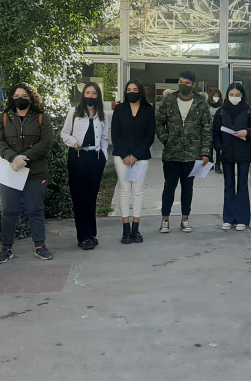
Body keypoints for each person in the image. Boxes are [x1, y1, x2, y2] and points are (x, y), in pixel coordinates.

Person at [0, 83, 55, 263]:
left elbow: (46, 142)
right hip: (9, 172)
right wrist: (13, 158)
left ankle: (40, 247)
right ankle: (6, 249)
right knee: (9, 211)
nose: (20, 99)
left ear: (32, 98)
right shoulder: (3, 118)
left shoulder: (42, 117)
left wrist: (24, 158)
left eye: (25, 96)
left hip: (35, 172)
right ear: (12, 98)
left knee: (35, 210)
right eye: (17, 96)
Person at [155, 70, 212, 234]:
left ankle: (185, 219)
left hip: (192, 155)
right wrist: (165, 139)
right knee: (169, 187)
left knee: (188, 188)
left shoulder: (201, 103)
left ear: (193, 85)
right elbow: (159, 122)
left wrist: (205, 152)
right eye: (181, 82)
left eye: (187, 83)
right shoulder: (169, 101)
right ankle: (165, 219)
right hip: (171, 154)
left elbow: (207, 129)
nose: (183, 85)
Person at [61, 82, 109, 250]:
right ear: (83, 95)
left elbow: (104, 138)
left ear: (98, 96)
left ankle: (91, 233)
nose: (91, 96)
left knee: (91, 197)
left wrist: (103, 157)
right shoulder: (74, 112)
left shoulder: (102, 115)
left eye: (94, 93)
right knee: (79, 197)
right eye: (88, 92)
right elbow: (64, 133)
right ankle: (83, 237)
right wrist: (74, 143)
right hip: (78, 157)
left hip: (95, 158)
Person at [212, 83, 251, 231]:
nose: (234, 98)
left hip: (243, 153)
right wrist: (219, 148)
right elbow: (215, 134)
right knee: (228, 186)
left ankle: (242, 219)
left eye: (237, 95)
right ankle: (228, 218)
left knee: (242, 186)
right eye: (231, 95)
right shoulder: (221, 112)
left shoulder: (249, 111)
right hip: (226, 153)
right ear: (227, 95)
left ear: (242, 95)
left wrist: (247, 132)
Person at [111, 79, 155, 244]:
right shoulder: (120, 109)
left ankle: (136, 229)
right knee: (124, 191)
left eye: (135, 89)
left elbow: (150, 135)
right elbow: (116, 134)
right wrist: (125, 155)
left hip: (141, 158)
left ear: (140, 91)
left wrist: (136, 155)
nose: (131, 92)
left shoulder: (148, 110)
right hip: (121, 157)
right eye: (129, 89)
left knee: (137, 192)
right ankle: (126, 229)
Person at [208, 88, 224, 174]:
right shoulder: (207, 105)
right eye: (215, 96)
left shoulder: (222, 106)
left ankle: (218, 164)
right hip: (209, 128)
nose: (216, 98)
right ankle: (210, 163)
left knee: (218, 147)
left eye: (218, 96)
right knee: (209, 147)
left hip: (219, 129)